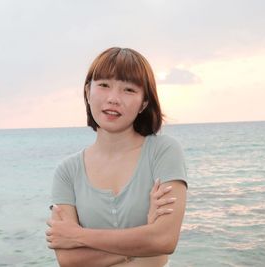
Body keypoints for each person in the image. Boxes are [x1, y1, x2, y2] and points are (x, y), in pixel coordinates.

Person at [46, 47, 188, 267]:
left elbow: (164, 240)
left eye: (129, 90)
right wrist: (144, 245)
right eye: (104, 85)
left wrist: (77, 236)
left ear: (144, 102)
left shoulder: (163, 151)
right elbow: (69, 259)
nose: (113, 98)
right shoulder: (67, 171)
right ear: (87, 91)